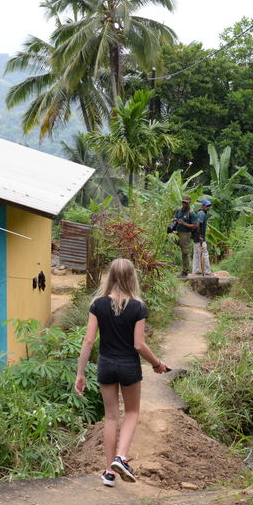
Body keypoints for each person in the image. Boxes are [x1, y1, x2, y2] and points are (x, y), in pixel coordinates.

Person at [74, 258, 168, 487]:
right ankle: (121, 457)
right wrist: (157, 364)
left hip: (105, 365)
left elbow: (88, 341)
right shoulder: (138, 306)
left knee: (111, 417)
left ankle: (109, 473)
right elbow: (139, 345)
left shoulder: (98, 304)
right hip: (128, 367)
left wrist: (80, 373)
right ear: (131, 277)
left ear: (110, 276)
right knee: (133, 412)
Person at [169, 195, 199, 277]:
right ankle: (171, 267)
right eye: (183, 202)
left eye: (186, 202)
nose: (184, 204)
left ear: (189, 203)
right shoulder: (179, 210)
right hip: (176, 232)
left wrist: (184, 223)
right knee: (170, 248)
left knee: (185, 252)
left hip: (185, 233)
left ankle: (185, 271)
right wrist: (174, 220)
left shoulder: (191, 213)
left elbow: (195, 225)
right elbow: (175, 217)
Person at [193, 200, 213, 276]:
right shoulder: (202, 214)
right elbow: (198, 225)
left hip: (196, 237)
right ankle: (207, 271)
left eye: (209, 206)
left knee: (196, 255)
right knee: (205, 254)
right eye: (207, 206)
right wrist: (199, 236)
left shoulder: (199, 213)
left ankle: (196, 270)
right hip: (200, 237)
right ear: (203, 206)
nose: (208, 207)